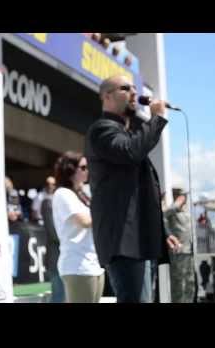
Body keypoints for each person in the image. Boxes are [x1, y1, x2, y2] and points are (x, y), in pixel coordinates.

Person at [85, 75, 180, 303]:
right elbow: (130, 151)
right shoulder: (102, 130)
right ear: (106, 96)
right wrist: (156, 118)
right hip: (121, 239)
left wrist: (161, 232)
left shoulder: (122, 131)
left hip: (135, 238)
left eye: (135, 88)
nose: (134, 93)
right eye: (126, 88)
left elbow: (137, 195)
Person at [52, 151, 105, 303]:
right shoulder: (63, 194)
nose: (87, 170)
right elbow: (85, 221)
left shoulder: (83, 193)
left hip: (93, 263)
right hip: (77, 265)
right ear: (70, 170)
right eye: (83, 167)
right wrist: (107, 211)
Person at [163, 187, 196, 303]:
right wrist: (175, 205)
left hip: (189, 252)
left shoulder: (185, 212)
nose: (185, 198)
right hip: (178, 253)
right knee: (179, 285)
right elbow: (162, 215)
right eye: (183, 196)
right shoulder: (171, 210)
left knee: (190, 283)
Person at [40, 192, 66, 303]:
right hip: (56, 258)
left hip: (70, 259)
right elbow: (53, 233)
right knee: (59, 296)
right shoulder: (48, 203)